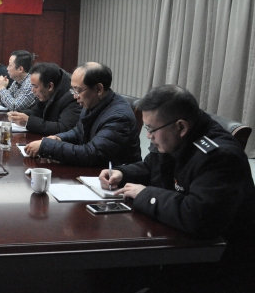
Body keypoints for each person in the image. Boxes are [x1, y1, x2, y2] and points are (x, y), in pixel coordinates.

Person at [99, 85, 255, 291]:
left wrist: (146, 194)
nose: (148, 136)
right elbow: (151, 167)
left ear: (181, 127)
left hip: (216, 267)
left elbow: (198, 216)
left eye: (151, 129)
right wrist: (122, 173)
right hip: (180, 248)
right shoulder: (173, 138)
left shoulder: (220, 156)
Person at [24, 62, 141, 167]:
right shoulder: (92, 103)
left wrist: (49, 146)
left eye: (78, 90)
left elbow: (92, 154)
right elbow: (78, 131)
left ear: (98, 89)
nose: (75, 96)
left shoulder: (118, 117)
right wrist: (58, 138)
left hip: (115, 177)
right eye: (73, 90)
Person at [8, 62, 81, 136]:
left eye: (35, 86)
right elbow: (37, 111)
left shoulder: (72, 97)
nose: (32, 90)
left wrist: (28, 122)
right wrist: (19, 115)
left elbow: (62, 128)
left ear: (50, 86)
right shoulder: (46, 94)